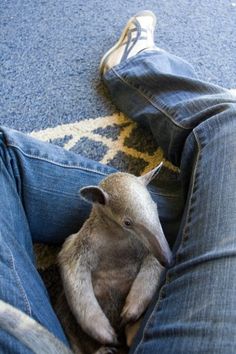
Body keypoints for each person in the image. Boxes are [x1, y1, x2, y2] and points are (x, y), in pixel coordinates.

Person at [0, 10, 235, 354]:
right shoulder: (87, 239)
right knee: (227, 134)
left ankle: (136, 69)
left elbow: (157, 258)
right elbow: (75, 272)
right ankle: (136, 68)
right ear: (96, 200)